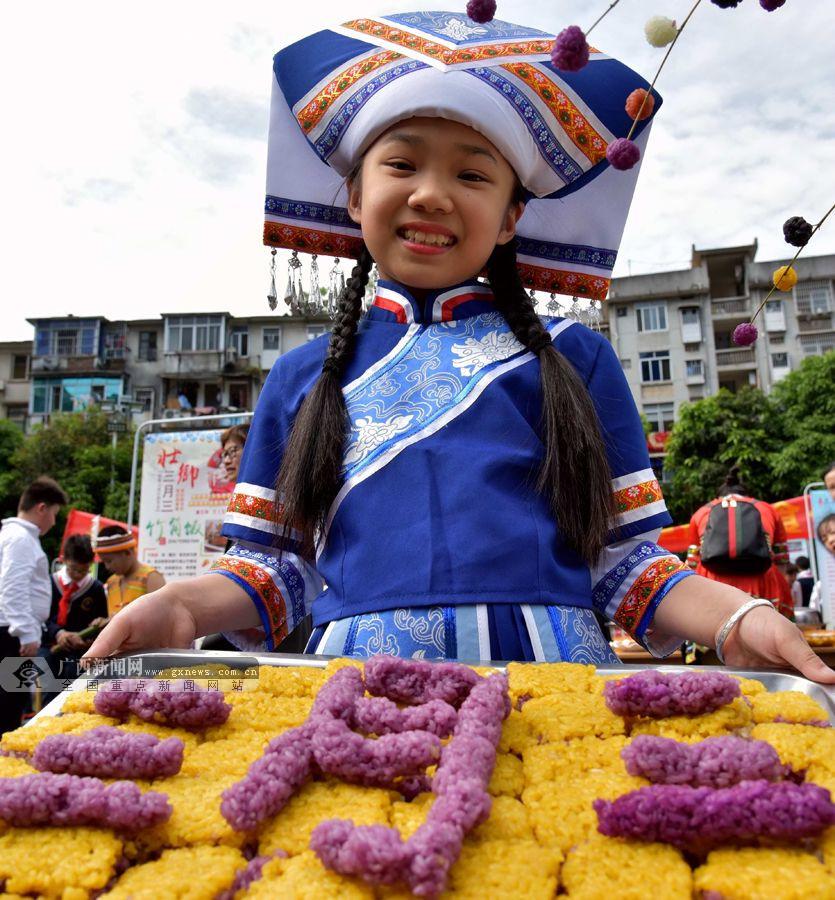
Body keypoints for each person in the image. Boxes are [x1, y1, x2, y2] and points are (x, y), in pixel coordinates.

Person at [87, 11, 833, 683]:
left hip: (556, 692)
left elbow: (628, 566)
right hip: (360, 693)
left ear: (511, 217)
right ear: (353, 196)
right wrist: (184, 606)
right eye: (402, 164)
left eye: (471, 174)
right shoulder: (298, 377)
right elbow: (274, 570)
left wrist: (740, 617)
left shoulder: (575, 360)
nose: (432, 194)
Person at [0, 476, 67, 733]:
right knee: (9, 704)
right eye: (54, 514)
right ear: (41, 508)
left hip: (13, 632)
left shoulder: (18, 535)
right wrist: (25, 632)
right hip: (12, 635)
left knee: (12, 700)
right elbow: (12, 587)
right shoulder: (20, 538)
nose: (53, 521)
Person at [688, 467, 793, 619]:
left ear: (718, 496)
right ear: (747, 494)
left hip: (713, 584)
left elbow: (692, 563)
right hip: (762, 581)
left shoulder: (701, 512)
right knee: (765, 634)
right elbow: (781, 560)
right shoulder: (767, 509)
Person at [39, 534, 108, 706]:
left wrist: (87, 639)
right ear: (64, 560)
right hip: (49, 647)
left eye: (83, 570)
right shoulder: (47, 583)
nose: (77, 574)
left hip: (80, 652)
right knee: (50, 694)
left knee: (76, 694)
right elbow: (39, 618)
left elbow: (101, 624)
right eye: (73, 569)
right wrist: (59, 633)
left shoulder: (96, 588)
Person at [95, 526, 165, 617]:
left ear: (127, 552)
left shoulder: (151, 578)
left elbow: (162, 617)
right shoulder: (111, 582)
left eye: (109, 561)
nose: (107, 567)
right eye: (103, 562)